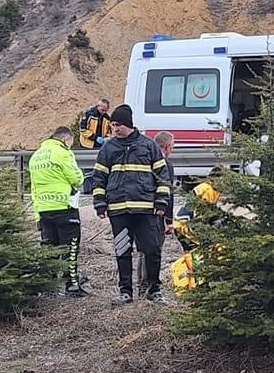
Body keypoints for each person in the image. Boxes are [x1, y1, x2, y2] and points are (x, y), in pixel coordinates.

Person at [89, 103, 172, 302]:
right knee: (122, 252)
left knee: (152, 250)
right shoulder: (108, 148)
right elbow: (99, 177)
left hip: (145, 211)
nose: (114, 128)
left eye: (118, 124)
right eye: (113, 125)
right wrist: (99, 203)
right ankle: (125, 292)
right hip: (118, 210)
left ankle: (153, 290)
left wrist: (161, 203)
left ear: (128, 124)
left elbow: (162, 176)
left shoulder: (148, 145)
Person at [29, 125, 87, 296]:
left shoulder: (36, 155)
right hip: (64, 207)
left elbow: (34, 187)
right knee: (71, 248)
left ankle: (49, 287)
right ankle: (72, 285)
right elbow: (77, 179)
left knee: (49, 249)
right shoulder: (63, 153)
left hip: (43, 209)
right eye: (70, 142)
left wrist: (37, 214)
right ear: (65, 139)